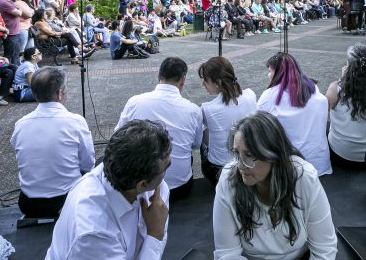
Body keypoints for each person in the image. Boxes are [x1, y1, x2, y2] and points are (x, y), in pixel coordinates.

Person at [212, 111, 337, 259]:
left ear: (273, 156)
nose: (240, 166)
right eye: (237, 154)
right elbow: (227, 254)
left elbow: (324, 249)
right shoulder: (229, 180)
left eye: (249, 155)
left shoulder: (304, 178)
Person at [45, 120, 170, 260]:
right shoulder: (93, 233)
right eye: (166, 168)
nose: (165, 177)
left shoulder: (143, 180)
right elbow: (158, 234)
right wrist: (155, 234)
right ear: (142, 185)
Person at [11, 67, 95, 218]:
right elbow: (88, 165)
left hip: (28, 203)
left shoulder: (20, 124)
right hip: (66, 201)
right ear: (59, 94)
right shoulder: (75, 122)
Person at [115, 57, 203, 201]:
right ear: (183, 80)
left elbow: (117, 136)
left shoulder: (135, 102)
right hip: (180, 187)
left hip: (141, 187)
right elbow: (196, 144)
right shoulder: (194, 110)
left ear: (159, 76)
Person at [257, 52, 331, 176]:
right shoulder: (312, 87)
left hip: (291, 168)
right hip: (319, 163)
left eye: (270, 71)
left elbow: (256, 123)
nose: (268, 75)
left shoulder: (270, 95)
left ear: (278, 73)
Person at [326, 44, 366, 167]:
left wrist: (343, 79)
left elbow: (324, 113)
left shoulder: (336, 88)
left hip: (342, 155)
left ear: (348, 65)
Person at [198, 56, 257, 185]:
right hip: (250, 163)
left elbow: (197, 140)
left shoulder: (207, 109)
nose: (203, 84)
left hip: (219, 170)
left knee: (202, 136)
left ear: (218, 82)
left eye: (205, 80)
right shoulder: (251, 95)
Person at [0, 0, 23, 66]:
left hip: (14, 32)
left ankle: (14, 74)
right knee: (11, 56)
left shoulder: (9, 2)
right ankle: (10, 74)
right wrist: (20, 9)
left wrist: (19, 9)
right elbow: (18, 13)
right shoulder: (4, 2)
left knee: (15, 55)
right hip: (11, 33)